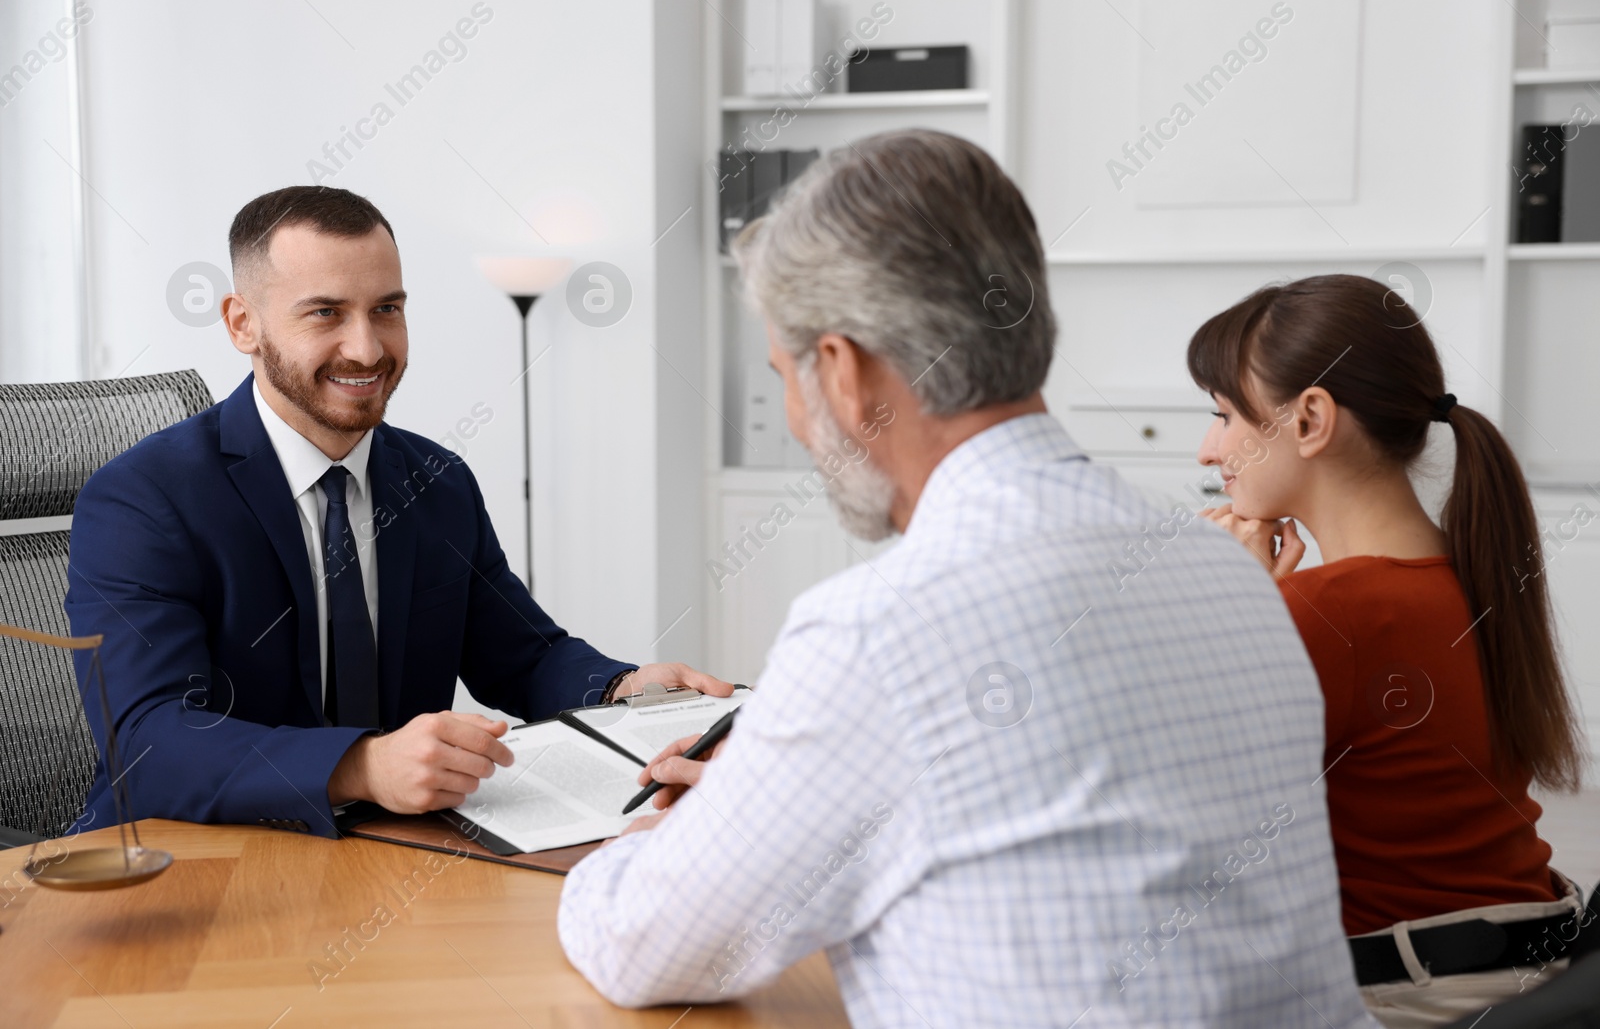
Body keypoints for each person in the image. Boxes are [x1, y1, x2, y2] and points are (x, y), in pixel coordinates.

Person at [557, 130, 1373, 1027]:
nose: (794, 417)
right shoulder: (1229, 573)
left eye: (787, 375)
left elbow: (647, 945)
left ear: (843, 369)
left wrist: (641, 847)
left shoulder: (880, 627)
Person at [65, 185, 728, 838]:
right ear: (243, 323)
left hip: (391, 848)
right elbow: (149, 740)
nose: (367, 348)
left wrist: (622, 689)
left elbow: (524, 658)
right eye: (325, 313)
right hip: (185, 861)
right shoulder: (144, 498)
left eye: (386, 308)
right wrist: (360, 766)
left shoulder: (436, 480)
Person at [1187, 274, 1591, 1027]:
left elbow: (1190, 827)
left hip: (1404, 996)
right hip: (1522, 968)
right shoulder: (1466, 572)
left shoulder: (1328, 611)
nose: (1209, 449)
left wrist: (1238, 613)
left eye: (1222, 415)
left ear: (1309, 419)